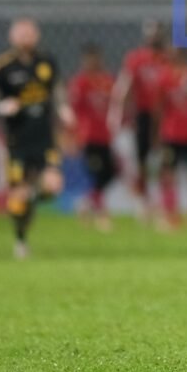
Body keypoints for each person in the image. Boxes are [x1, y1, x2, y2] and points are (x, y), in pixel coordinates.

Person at [0, 18, 73, 259]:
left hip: (45, 137)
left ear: (37, 35)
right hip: (17, 141)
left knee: (53, 186)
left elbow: (57, 91)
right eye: (22, 33)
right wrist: (2, 106)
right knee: (17, 196)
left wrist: (64, 109)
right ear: (12, 37)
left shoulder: (47, 62)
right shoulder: (2, 67)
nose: (26, 37)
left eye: (30, 33)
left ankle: (31, 197)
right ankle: (21, 241)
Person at [109, 21, 168, 220]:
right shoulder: (136, 59)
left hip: (166, 116)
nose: (154, 37)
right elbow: (126, 87)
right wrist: (122, 115)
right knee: (141, 160)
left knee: (164, 161)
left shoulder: (168, 58)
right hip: (143, 115)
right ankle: (144, 203)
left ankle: (164, 203)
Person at [155, 48, 187, 230]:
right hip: (172, 134)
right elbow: (160, 106)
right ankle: (170, 213)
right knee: (168, 174)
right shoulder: (165, 76)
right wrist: (158, 132)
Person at [68, 43, 117, 233]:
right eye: (89, 59)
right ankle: (101, 214)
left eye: (96, 58)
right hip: (88, 136)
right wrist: (72, 135)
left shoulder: (107, 81)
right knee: (96, 174)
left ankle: (85, 202)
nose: (93, 62)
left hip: (105, 135)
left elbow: (116, 105)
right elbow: (73, 110)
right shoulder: (80, 83)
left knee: (110, 172)